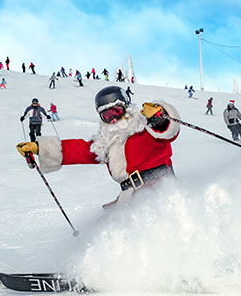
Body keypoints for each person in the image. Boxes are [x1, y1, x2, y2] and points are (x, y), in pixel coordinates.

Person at [16, 86, 181, 207]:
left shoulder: (146, 129)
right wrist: (40, 148)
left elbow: (169, 131)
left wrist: (159, 117)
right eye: (107, 116)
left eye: (116, 112)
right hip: (130, 195)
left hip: (159, 188)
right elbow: (81, 150)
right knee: (105, 224)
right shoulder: (107, 142)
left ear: (127, 108)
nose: (114, 120)